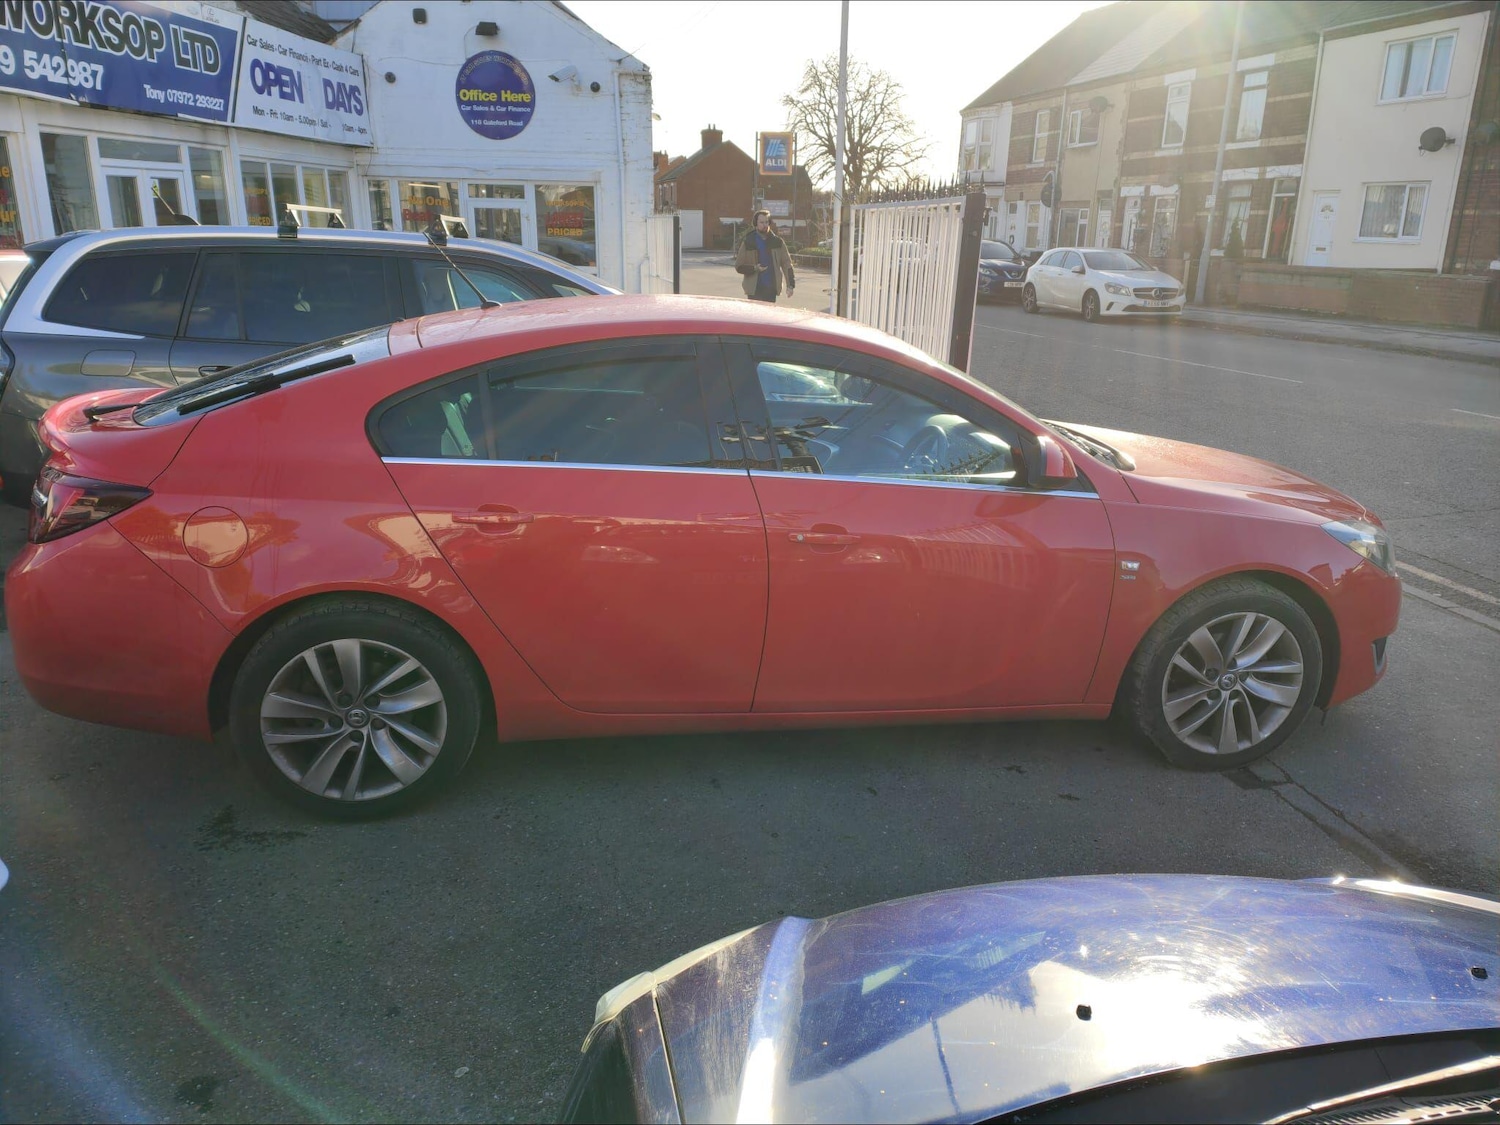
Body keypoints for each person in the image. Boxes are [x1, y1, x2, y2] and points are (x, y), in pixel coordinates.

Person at [736, 209, 795, 303]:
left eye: (767, 222)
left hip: (771, 288)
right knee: (755, 316)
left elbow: (787, 264)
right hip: (754, 290)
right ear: (756, 223)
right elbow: (739, 266)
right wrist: (755, 268)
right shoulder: (748, 241)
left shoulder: (778, 242)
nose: (765, 225)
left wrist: (790, 285)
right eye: (761, 222)